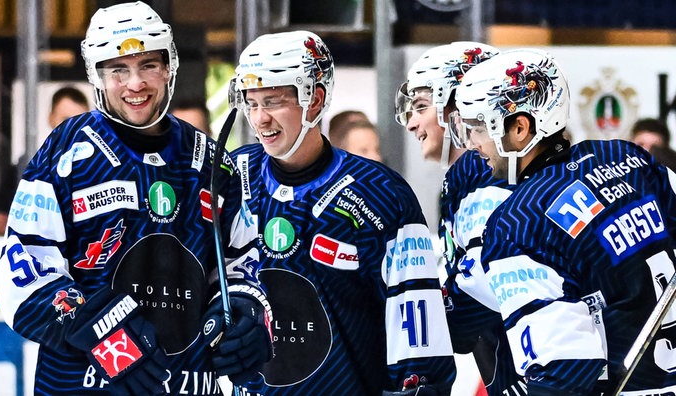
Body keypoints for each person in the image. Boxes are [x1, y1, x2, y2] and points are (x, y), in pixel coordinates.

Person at [0, 2, 272, 394]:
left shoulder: (211, 161)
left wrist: (247, 312)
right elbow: (23, 275)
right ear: (96, 76)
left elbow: (242, 266)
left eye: (148, 66)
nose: (135, 84)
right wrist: (108, 341)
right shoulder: (67, 148)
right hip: (83, 385)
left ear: (169, 67)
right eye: (118, 70)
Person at [229, 30, 456, 395]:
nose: (259, 120)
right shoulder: (232, 176)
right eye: (251, 103)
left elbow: (417, 321)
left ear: (315, 100)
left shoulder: (381, 192)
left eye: (272, 102)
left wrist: (420, 386)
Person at [451, 48, 676, 394]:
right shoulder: (626, 158)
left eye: (478, 128)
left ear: (519, 128)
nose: (473, 144)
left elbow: (565, 374)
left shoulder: (517, 224)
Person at [396, 42, 527, 395]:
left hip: (532, 370)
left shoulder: (474, 169)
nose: (412, 123)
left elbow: (484, 291)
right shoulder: (470, 172)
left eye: (422, 107)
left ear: (459, 106)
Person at [0, 86, 92, 236]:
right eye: (65, 120)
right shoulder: (25, 167)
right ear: (51, 118)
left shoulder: (100, 169)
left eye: (79, 121)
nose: (71, 128)